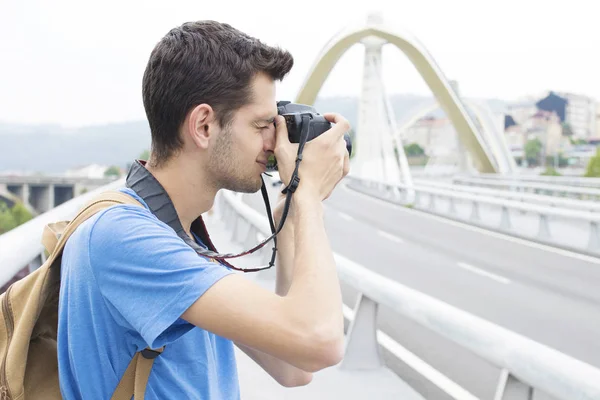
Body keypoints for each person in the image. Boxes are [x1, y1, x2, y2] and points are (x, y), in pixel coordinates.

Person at [57, 20, 350, 399]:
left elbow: (294, 366)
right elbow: (321, 341)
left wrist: (292, 216)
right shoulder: (124, 236)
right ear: (204, 126)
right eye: (262, 124)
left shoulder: (179, 235)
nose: (273, 142)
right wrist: (307, 194)